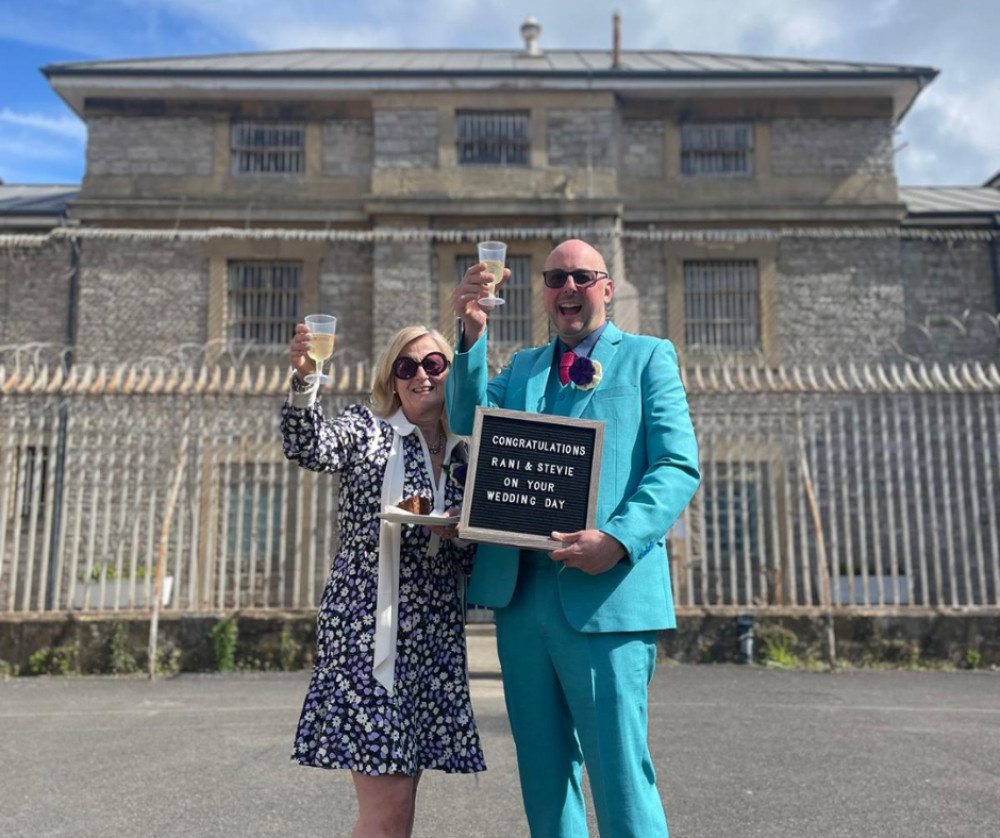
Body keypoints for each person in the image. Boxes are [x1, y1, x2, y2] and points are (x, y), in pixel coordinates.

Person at [446, 239, 700, 838]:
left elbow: (677, 466)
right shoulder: (522, 369)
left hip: (605, 596)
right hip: (523, 598)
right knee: (543, 775)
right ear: (542, 290)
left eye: (582, 276)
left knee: (620, 774)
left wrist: (617, 538)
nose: (568, 287)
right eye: (555, 277)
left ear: (606, 288)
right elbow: (465, 421)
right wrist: (471, 334)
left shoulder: (647, 358)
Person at [282, 323, 485, 838]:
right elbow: (310, 446)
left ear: (452, 373)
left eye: (434, 364)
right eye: (406, 366)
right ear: (391, 380)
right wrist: (306, 380)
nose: (421, 375)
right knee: (389, 810)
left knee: (400, 805)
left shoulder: (468, 453)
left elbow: (474, 553)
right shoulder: (367, 430)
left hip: (433, 641)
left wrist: (469, 532)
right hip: (369, 635)